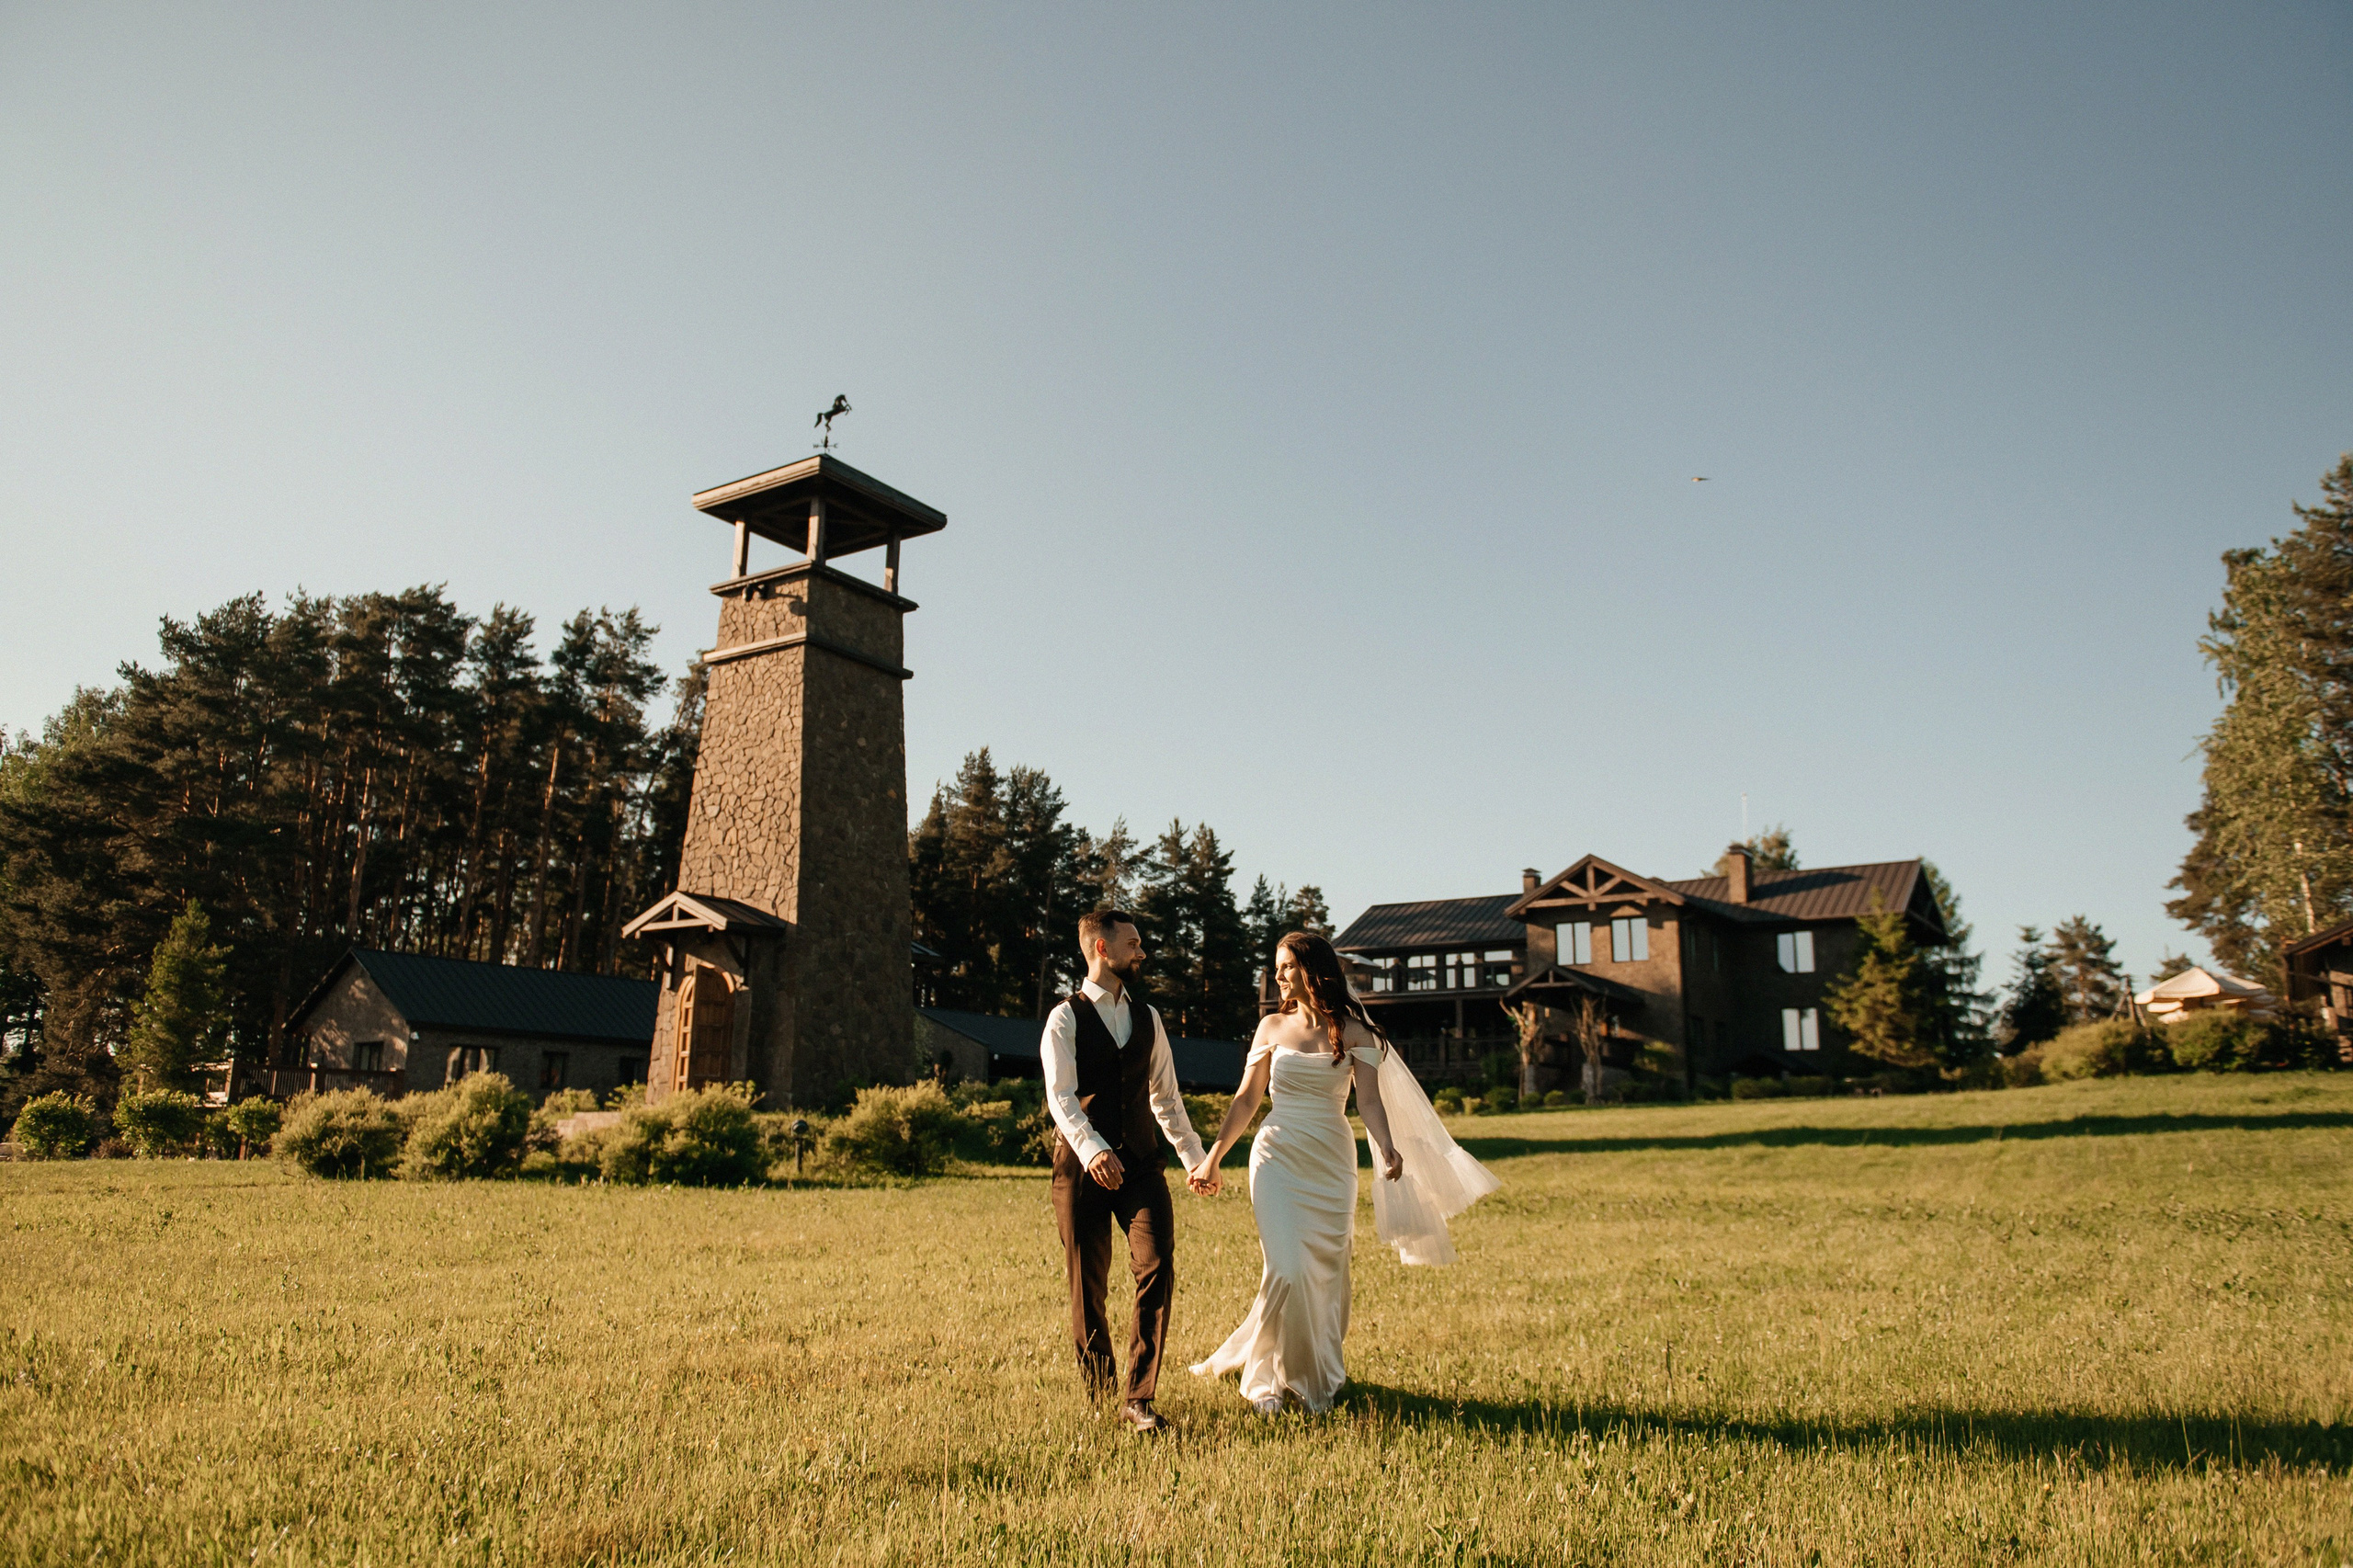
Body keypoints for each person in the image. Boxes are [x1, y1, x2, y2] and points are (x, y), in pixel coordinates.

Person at [1188, 930, 1499, 1414]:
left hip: (1331, 1162)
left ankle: (1312, 1378)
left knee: (1325, 1273)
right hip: (1277, 1155)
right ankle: (1264, 1380)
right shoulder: (1270, 1027)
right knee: (1287, 1268)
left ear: (1313, 970)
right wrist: (1212, 1157)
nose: (1278, 975)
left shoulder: (1357, 1033)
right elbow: (1247, 1098)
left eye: (1286, 965)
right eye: (1276, 966)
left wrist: (1389, 1147)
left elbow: (1369, 1102)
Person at [1040, 908, 1211, 1434]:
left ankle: (1138, 1398)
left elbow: (1167, 1098)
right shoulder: (1064, 1018)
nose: (1142, 952)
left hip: (1139, 1165)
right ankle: (1097, 1390)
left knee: (1156, 1265)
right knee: (1087, 1284)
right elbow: (1060, 1096)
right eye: (1133, 943)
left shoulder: (1150, 1018)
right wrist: (1092, 1150)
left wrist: (1194, 1158)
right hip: (1081, 1169)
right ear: (1101, 949)